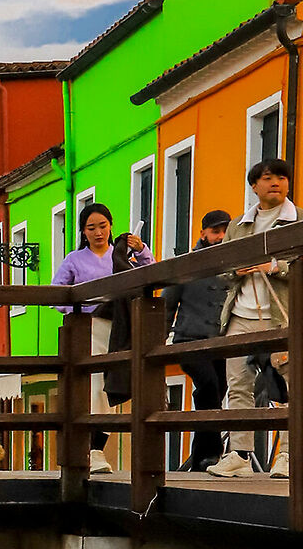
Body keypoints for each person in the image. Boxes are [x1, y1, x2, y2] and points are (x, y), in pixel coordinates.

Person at [208, 158, 297, 480]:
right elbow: (222, 269)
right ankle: (239, 455)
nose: (276, 183)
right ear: (254, 185)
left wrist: (275, 267)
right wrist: (236, 270)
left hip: (281, 316)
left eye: (281, 178)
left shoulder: (297, 220)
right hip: (240, 314)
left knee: (289, 386)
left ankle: (287, 455)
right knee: (238, 386)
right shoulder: (238, 225)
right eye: (268, 178)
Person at [53, 203, 151, 471]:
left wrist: (141, 250)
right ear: (83, 232)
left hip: (119, 326)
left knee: (114, 385)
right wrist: (85, 307)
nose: (98, 232)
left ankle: (97, 448)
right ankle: (94, 450)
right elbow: (55, 294)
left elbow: (149, 273)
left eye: (103, 226)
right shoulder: (74, 259)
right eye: (91, 228)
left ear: (111, 226)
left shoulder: (120, 258)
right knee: (96, 387)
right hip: (91, 327)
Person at [161, 209, 232, 474]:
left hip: (223, 342)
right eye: (216, 231)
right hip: (189, 340)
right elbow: (167, 305)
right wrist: (159, 345)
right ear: (202, 233)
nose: (221, 237)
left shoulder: (234, 262)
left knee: (216, 390)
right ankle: (211, 454)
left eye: (225, 231)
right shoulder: (186, 264)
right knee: (210, 386)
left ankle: (202, 457)